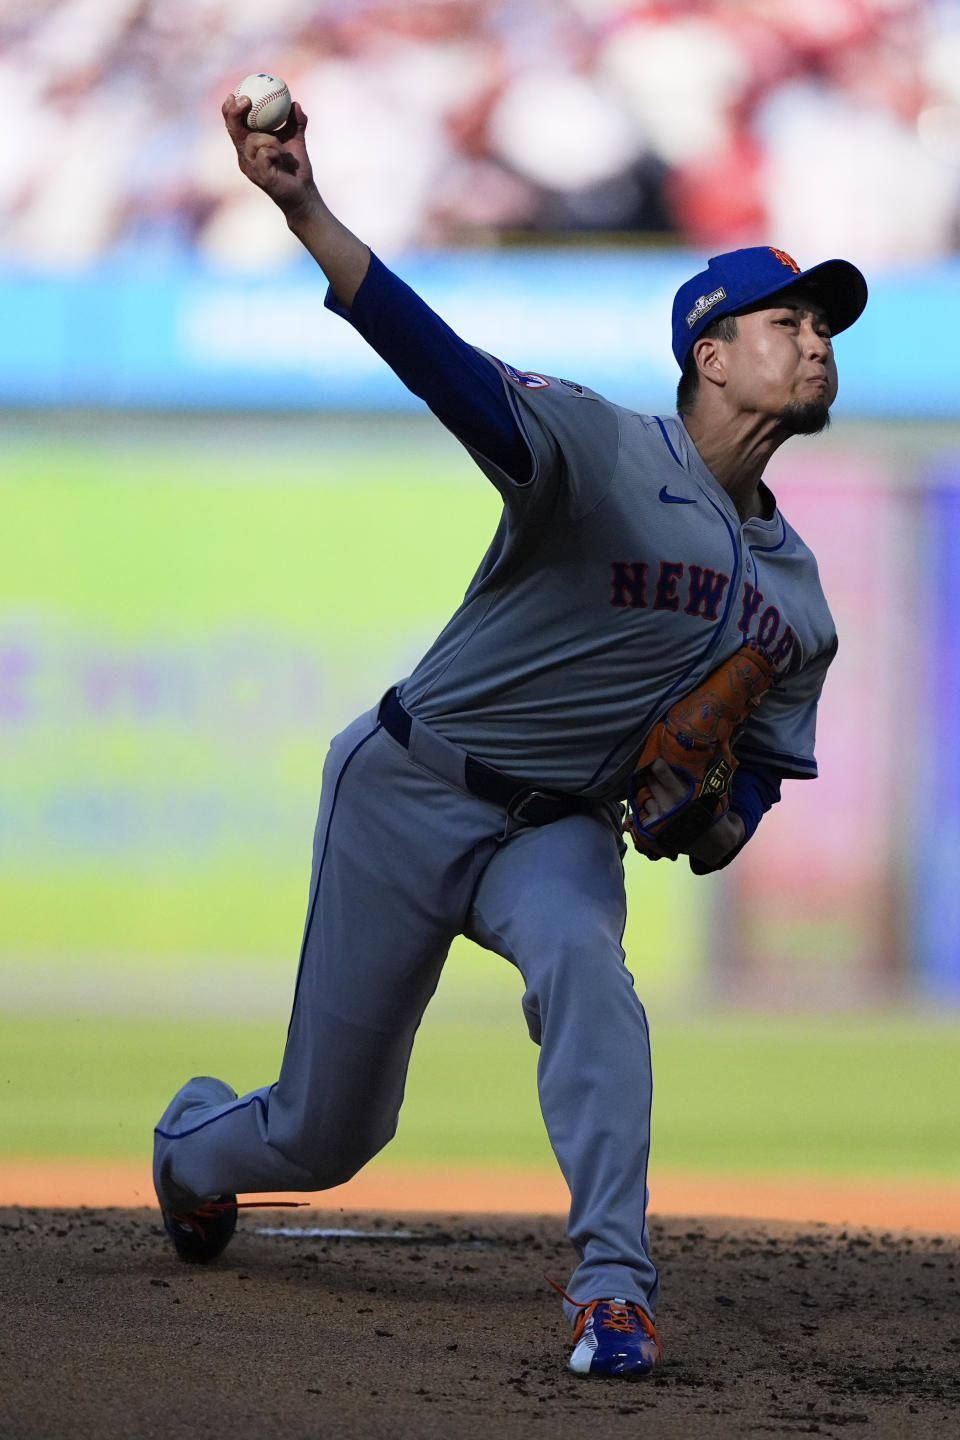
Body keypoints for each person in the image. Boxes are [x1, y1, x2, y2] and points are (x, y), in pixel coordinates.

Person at [153, 92, 867, 1380]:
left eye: (824, 327)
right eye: (789, 322)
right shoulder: (598, 448)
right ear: (710, 353)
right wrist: (303, 208)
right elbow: (441, 364)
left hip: (558, 831)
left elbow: (732, 815)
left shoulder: (801, 600)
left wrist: (700, 813)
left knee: (590, 976)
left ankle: (613, 1288)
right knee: (328, 1137)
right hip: (411, 786)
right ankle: (191, 1152)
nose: (816, 345)